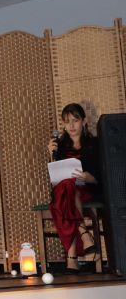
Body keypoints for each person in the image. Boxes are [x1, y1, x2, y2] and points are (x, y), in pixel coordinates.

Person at [47, 103, 100, 271]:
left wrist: (89, 177)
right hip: (67, 190)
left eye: (75, 120)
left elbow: (102, 174)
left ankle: (72, 257)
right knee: (67, 187)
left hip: (87, 188)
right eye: (67, 121)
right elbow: (55, 177)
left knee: (65, 195)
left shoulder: (94, 144)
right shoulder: (60, 145)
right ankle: (84, 234)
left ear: (83, 121)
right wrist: (52, 155)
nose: (71, 125)